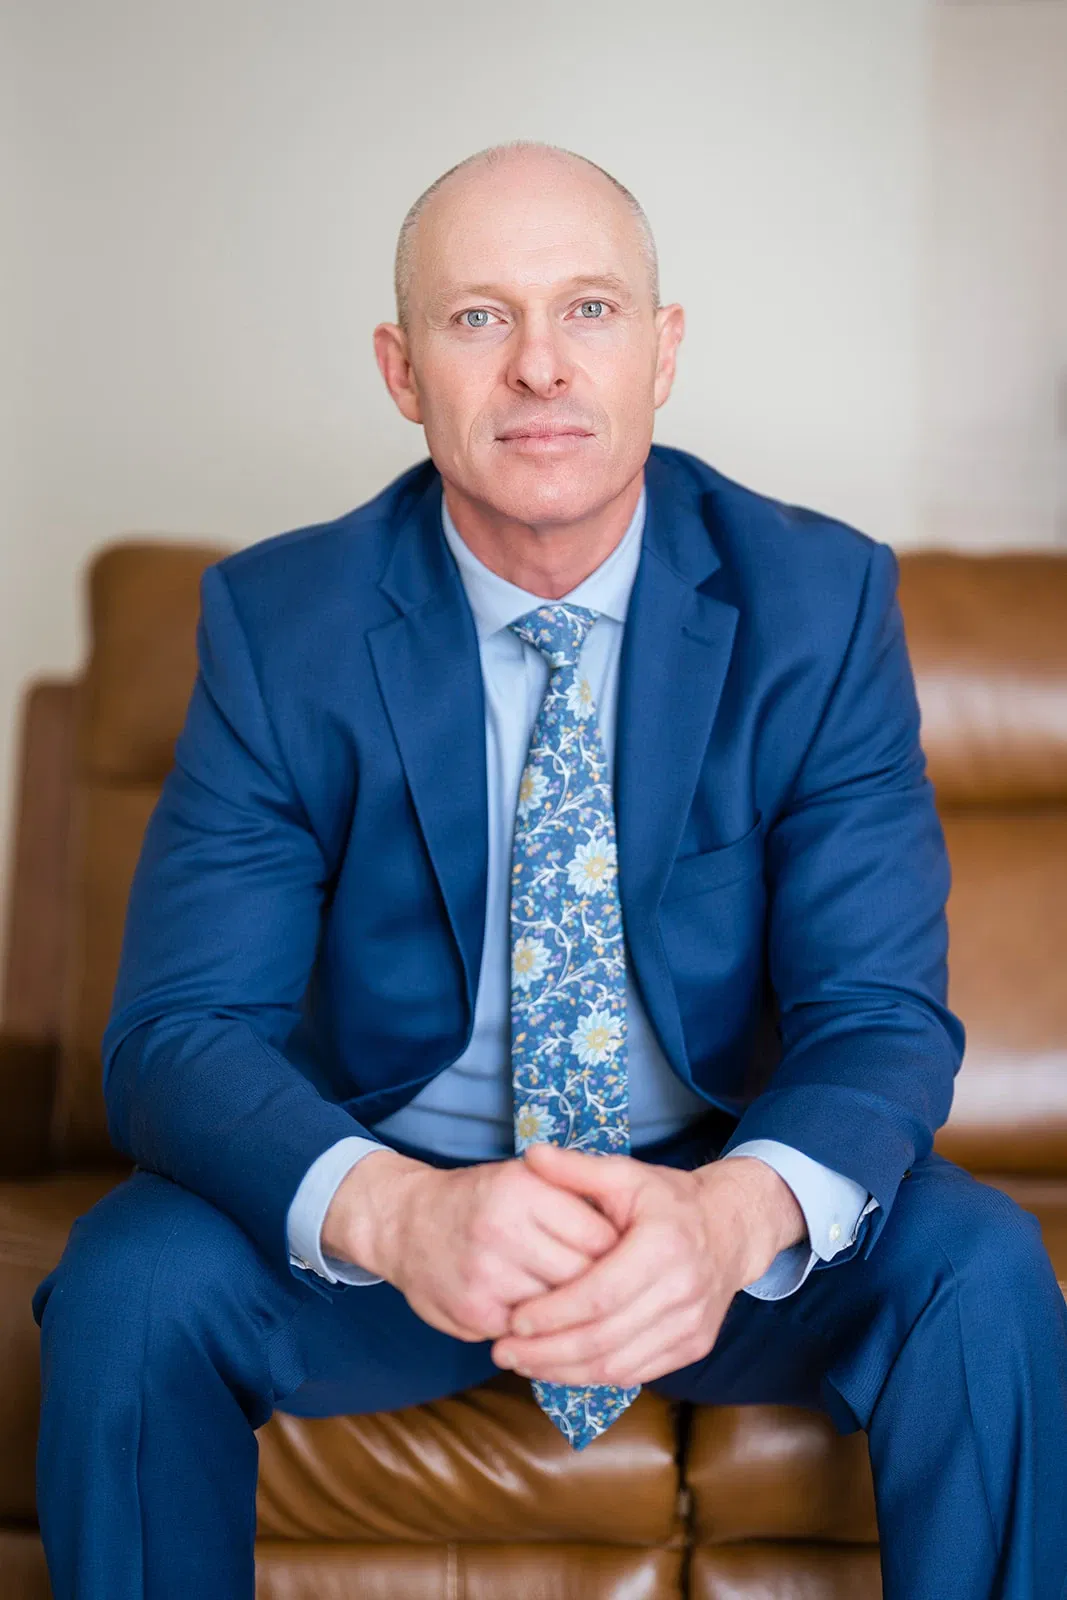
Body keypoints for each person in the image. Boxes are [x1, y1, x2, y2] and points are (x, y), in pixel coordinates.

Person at [32, 141, 1067, 1599]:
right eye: (479, 317)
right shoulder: (280, 625)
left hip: (701, 1209)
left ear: (663, 349)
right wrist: (396, 1212)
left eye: (589, 308)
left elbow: (880, 1014)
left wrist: (728, 1220)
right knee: (135, 1284)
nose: (538, 364)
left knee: (982, 1267)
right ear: (402, 371)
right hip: (398, 1225)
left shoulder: (819, 604)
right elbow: (176, 1035)